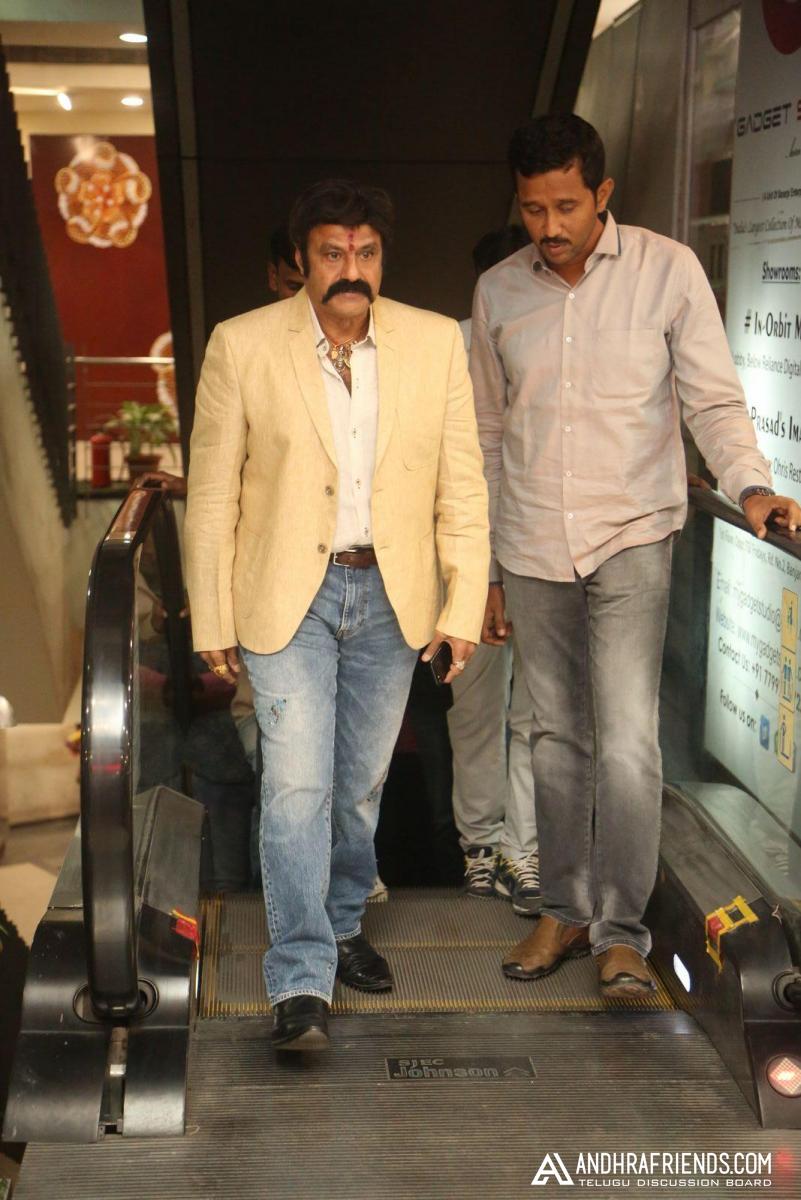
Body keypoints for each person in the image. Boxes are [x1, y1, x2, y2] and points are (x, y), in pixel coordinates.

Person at [471, 113, 801, 999]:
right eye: (533, 208)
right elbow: (487, 436)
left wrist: (751, 486)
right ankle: (563, 910)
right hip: (531, 538)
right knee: (553, 740)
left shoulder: (667, 269)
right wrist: (487, 569)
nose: (549, 226)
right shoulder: (498, 291)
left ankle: (621, 932)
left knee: (625, 741)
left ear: (603, 194)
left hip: (632, 534)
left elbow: (712, 400)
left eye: (566, 206)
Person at [184, 178, 489, 1050]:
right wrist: (211, 620)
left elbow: (462, 483)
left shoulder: (433, 342)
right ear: (302, 260)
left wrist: (462, 604)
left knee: (358, 789)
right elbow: (211, 496)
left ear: (381, 259)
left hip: (392, 594)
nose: (350, 268)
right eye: (331, 253)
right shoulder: (241, 344)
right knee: (294, 786)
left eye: (365, 253)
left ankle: (345, 919)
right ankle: (300, 973)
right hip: (289, 597)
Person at [449, 226, 540, 915]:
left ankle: (521, 848)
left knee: (537, 710)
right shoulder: (451, 348)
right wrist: (479, 573)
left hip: (544, 550)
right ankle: (480, 844)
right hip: (469, 555)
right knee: (477, 706)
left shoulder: (564, 341)